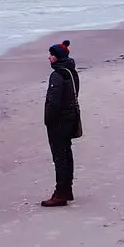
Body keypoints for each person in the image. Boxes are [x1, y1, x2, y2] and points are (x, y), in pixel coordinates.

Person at [41, 39, 81, 207]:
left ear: (57, 57)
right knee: (66, 153)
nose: (49, 58)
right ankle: (67, 189)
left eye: (51, 55)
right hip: (71, 117)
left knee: (60, 157)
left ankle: (61, 194)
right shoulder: (71, 72)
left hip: (59, 121)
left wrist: (48, 120)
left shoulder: (57, 75)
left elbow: (53, 102)